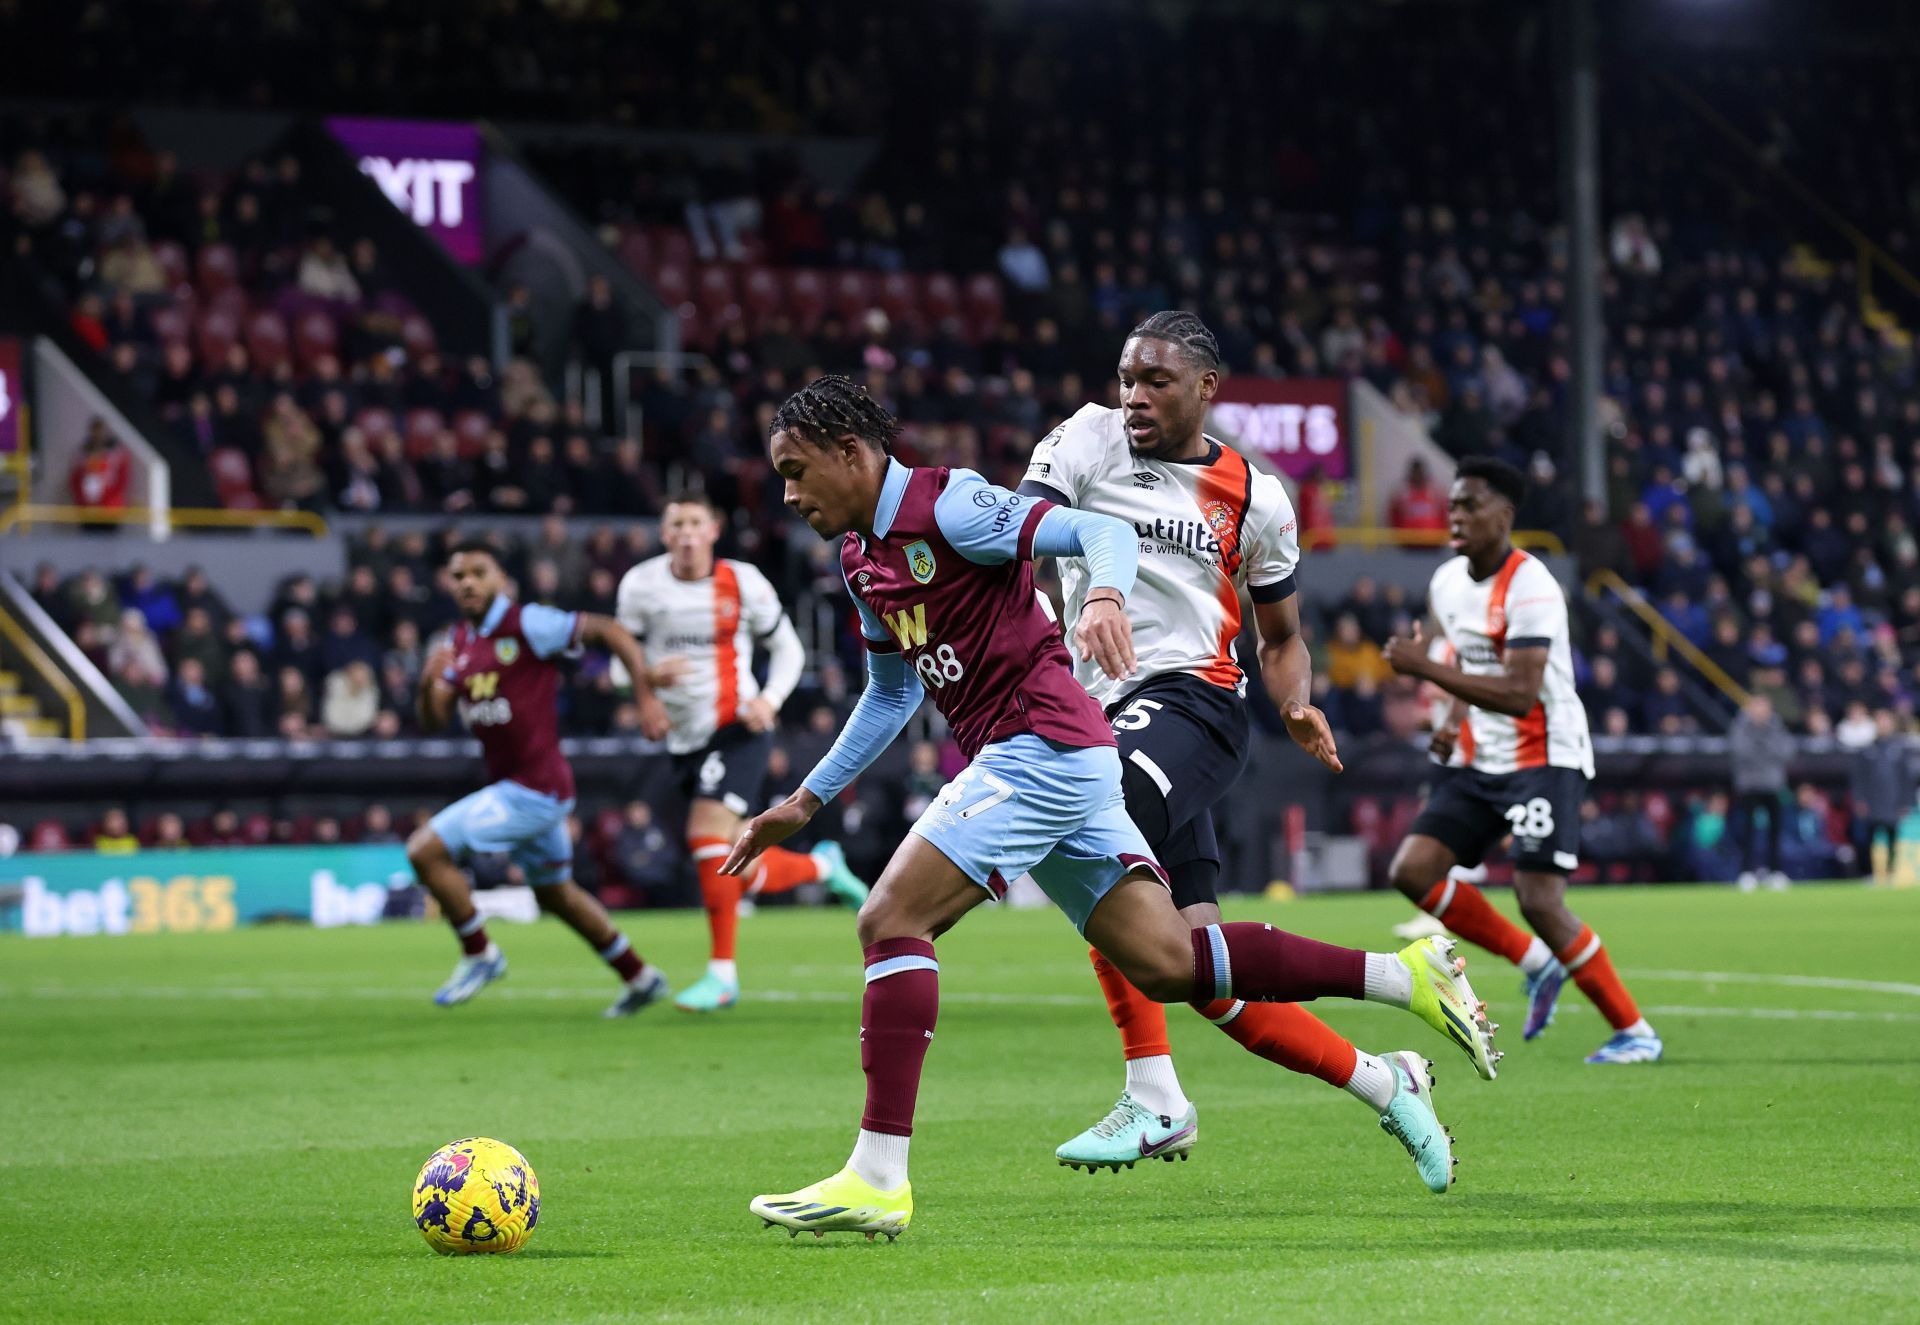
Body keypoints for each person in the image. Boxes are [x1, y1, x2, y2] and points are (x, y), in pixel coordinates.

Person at [729, 376, 1496, 1240]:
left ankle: (878, 1173)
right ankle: (1402, 977)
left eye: (797, 472)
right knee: (1170, 961)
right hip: (1056, 759)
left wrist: (1100, 593)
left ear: (850, 452)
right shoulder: (861, 557)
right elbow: (889, 692)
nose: (789, 496)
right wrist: (805, 797)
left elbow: (1097, 531)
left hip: (1043, 745)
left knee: (890, 917)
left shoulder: (953, 507)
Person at [1018, 310, 1467, 1191]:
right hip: (1097, 709)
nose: (1134, 396)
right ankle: (1388, 1075)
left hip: (1195, 703)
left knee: (1085, 822)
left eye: (1156, 381)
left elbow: (1283, 633)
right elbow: (1027, 531)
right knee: (1191, 966)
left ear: (1206, 389)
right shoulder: (1087, 437)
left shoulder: (1256, 495)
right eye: (1126, 378)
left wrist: (1295, 699)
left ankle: (1155, 1095)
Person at [1383, 456, 1663, 1065]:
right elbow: (1468, 663)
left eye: (1471, 505)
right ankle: (1536, 962)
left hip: (1544, 755)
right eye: (1453, 504)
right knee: (1413, 870)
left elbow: (1518, 693)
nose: (1456, 515)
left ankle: (1635, 1030)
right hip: (1481, 758)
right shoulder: (1447, 583)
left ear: (1505, 515)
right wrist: (1451, 722)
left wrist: (1423, 666)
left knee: (1539, 899)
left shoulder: (1533, 586)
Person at [616, 489, 868, 1013]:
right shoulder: (640, 587)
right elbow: (621, 666)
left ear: (712, 531)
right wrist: (643, 681)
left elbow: (788, 649)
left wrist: (770, 701)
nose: (685, 533)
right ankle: (822, 868)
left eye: (694, 523)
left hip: (737, 728)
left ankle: (722, 975)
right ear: (665, 535)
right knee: (735, 862)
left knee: (705, 835)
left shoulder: (742, 582)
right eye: (676, 524)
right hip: (684, 741)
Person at [409, 541, 675, 1017]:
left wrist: (644, 694)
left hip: (532, 790)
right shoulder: (461, 641)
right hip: (532, 788)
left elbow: (608, 630)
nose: (467, 582)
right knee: (555, 894)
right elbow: (432, 721)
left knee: (424, 850)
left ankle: (479, 953)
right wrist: (428, 685)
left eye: (478, 572)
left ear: (500, 581)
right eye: (458, 575)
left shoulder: (528, 623)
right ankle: (640, 976)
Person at [1728, 692, 1794, 892]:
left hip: (1773, 785)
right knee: (1748, 831)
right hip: (1749, 785)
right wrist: (1763, 748)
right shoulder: (1740, 726)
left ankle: (1775, 872)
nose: (1760, 712)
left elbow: (1787, 751)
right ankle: (1747, 872)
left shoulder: (1776, 726)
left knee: (1775, 832)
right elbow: (1739, 751)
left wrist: (1762, 746)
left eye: (1763, 707)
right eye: (1756, 707)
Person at [1852, 710, 1918, 884]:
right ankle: (1868, 873)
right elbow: (1858, 778)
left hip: (1893, 802)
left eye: (1885, 720)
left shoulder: (1900, 749)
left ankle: (1890, 872)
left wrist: (1906, 802)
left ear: (1891, 723)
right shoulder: (1866, 750)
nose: (1883, 724)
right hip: (1872, 802)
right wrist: (1860, 800)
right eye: (1879, 720)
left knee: (1892, 839)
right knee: (1867, 839)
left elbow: (1907, 779)